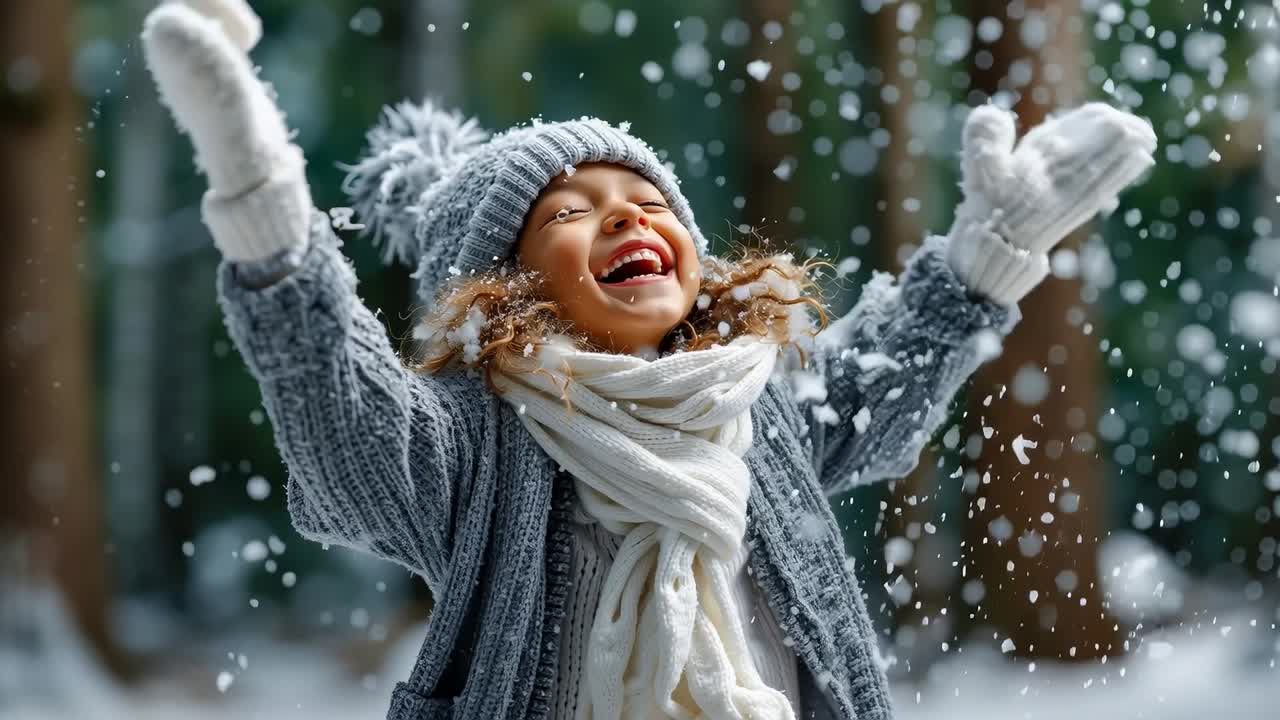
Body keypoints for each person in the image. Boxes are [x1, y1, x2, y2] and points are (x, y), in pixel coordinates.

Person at [140, 1, 1157, 718]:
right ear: (507, 288)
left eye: (644, 199)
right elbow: (338, 412)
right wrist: (265, 207)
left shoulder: (757, 410)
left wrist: (988, 251)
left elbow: (884, 377)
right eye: (566, 213)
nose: (623, 212)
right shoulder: (475, 445)